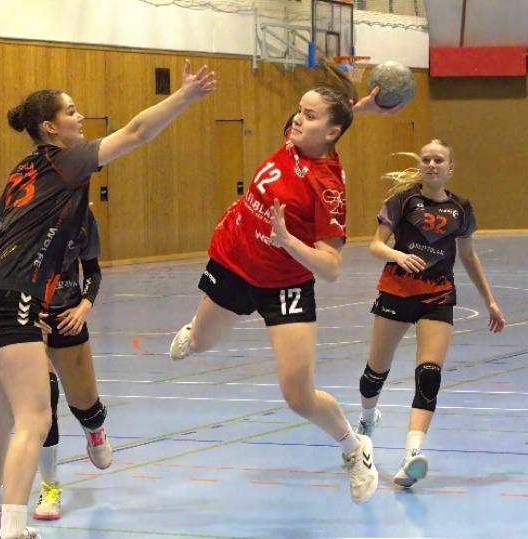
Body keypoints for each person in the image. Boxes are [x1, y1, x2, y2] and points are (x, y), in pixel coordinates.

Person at [0, 60, 216, 539]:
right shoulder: (67, 159)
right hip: (15, 298)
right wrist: (185, 96)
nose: (80, 119)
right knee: (35, 417)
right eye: (71, 112)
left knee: (1, 413)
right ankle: (13, 526)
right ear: (49, 127)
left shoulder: (20, 173)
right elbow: (138, 132)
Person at [169, 63, 401, 504]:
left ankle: (355, 448)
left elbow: (331, 267)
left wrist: (289, 241)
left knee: (298, 396)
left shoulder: (327, 187)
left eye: (309, 116)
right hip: (234, 262)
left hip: (285, 284)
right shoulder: (297, 137)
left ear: (330, 133)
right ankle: (194, 331)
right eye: (299, 110)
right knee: (197, 344)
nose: (297, 119)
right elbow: (329, 117)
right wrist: (359, 108)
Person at [353, 139, 506, 489]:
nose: (432, 164)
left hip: (438, 295)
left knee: (429, 375)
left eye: (439, 160)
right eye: (426, 159)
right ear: (420, 166)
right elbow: (375, 245)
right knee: (374, 374)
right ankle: (367, 420)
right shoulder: (403, 201)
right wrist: (397, 255)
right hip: (397, 291)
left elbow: (468, 255)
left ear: (450, 168)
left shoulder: (461, 209)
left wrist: (490, 301)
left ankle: (411, 456)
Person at [0, 204, 108, 522]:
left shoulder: (82, 217)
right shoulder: (20, 212)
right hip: (29, 317)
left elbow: (92, 271)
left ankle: (94, 428)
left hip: (68, 316)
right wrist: (17, 308)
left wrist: (84, 307)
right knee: (43, 400)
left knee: (87, 408)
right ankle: (50, 487)